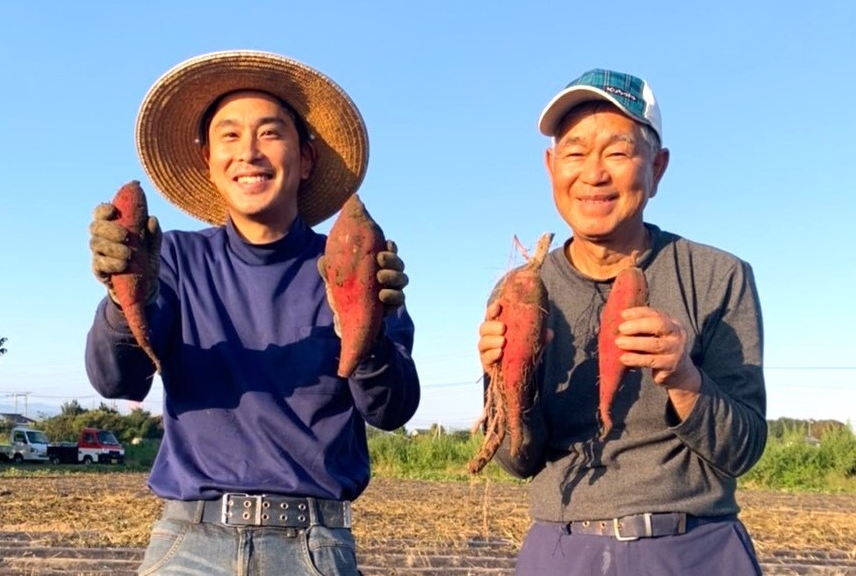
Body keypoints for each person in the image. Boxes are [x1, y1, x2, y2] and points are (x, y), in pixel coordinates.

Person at [86, 50, 420, 576]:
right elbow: (115, 379)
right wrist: (125, 293)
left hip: (314, 544)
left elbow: (391, 409)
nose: (250, 152)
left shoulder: (351, 262)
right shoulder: (171, 257)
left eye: (270, 133)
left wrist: (367, 326)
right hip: (189, 540)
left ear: (305, 158)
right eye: (230, 136)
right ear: (208, 161)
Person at [477, 69, 767, 575]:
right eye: (574, 153)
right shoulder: (517, 289)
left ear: (657, 167)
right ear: (551, 167)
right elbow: (520, 462)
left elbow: (742, 448)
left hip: (695, 549)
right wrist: (512, 388)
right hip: (564, 550)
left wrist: (685, 380)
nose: (593, 173)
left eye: (617, 152)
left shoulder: (719, 275)